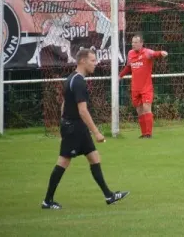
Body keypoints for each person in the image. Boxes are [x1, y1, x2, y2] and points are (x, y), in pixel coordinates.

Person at [41, 48, 129, 210]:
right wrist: (96, 132)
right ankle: (47, 201)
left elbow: (64, 104)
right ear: (83, 61)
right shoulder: (79, 81)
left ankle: (109, 195)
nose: (95, 63)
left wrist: (63, 125)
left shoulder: (71, 78)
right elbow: (82, 110)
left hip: (75, 127)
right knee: (63, 161)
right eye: (93, 60)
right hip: (74, 127)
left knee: (94, 157)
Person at [119, 34, 168, 138]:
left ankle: (149, 133)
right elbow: (128, 67)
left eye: (136, 42)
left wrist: (161, 53)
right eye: (132, 42)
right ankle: (144, 133)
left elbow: (155, 54)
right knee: (139, 111)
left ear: (141, 43)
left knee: (146, 108)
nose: (133, 44)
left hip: (146, 87)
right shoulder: (130, 53)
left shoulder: (147, 52)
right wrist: (120, 75)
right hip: (135, 87)